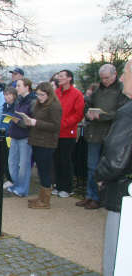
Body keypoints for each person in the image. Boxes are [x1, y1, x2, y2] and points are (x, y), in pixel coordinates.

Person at [95, 58, 132, 276]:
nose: (123, 78)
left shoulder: (128, 112)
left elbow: (117, 157)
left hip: (123, 191)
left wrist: (101, 175)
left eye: (126, 73)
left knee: (117, 253)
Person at [77, 64, 129, 209]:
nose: (104, 81)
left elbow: (121, 112)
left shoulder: (121, 90)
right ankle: (90, 195)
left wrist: (102, 116)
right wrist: (88, 112)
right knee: (91, 167)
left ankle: (101, 197)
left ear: (114, 75)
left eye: (107, 78)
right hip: (94, 133)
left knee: (106, 168)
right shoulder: (97, 90)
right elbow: (87, 104)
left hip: (110, 134)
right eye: (102, 78)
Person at [26, 82, 62, 209]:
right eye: (37, 94)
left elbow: (55, 126)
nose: (39, 97)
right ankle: (41, 196)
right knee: (41, 170)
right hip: (36, 141)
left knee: (45, 170)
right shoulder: (39, 105)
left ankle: (45, 200)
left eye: (42, 95)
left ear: (49, 94)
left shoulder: (54, 106)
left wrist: (36, 123)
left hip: (47, 143)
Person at [52, 69, 85, 198]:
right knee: (56, 160)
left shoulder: (76, 94)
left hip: (68, 133)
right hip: (55, 133)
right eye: (58, 76)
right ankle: (58, 185)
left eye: (61, 76)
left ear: (69, 78)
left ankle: (67, 187)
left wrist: (64, 123)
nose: (59, 78)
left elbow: (78, 114)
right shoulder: (56, 93)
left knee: (65, 160)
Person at [4, 78, 35, 197]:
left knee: (23, 165)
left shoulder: (32, 101)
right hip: (14, 134)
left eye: (19, 86)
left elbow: (30, 121)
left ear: (27, 87)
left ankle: (22, 188)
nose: (17, 88)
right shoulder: (18, 101)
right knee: (12, 162)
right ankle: (15, 184)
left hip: (25, 136)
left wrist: (19, 121)